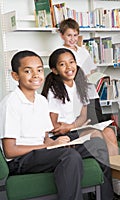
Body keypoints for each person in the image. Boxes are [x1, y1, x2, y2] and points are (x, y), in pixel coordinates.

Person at [0, 50, 113, 200]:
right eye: (28, 71)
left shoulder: (41, 101)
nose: (35, 75)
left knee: (97, 145)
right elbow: (10, 151)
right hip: (21, 160)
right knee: (69, 156)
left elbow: (45, 138)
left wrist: (56, 144)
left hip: (41, 152)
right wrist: (49, 147)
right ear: (15, 76)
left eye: (39, 70)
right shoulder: (10, 103)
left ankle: (108, 197)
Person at [41, 48, 120, 200]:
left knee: (107, 134)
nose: (69, 67)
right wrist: (70, 127)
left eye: (71, 62)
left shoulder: (80, 86)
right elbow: (54, 126)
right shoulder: (54, 91)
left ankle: (113, 187)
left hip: (73, 129)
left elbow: (83, 117)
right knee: (97, 137)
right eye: (62, 64)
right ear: (55, 70)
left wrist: (71, 126)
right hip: (60, 136)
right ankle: (107, 193)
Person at [58, 18, 110, 125]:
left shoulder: (83, 50)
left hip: (91, 92)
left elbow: (92, 68)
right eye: (69, 35)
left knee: (98, 122)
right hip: (77, 94)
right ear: (61, 35)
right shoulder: (61, 53)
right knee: (84, 124)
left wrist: (93, 75)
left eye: (75, 35)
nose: (73, 39)